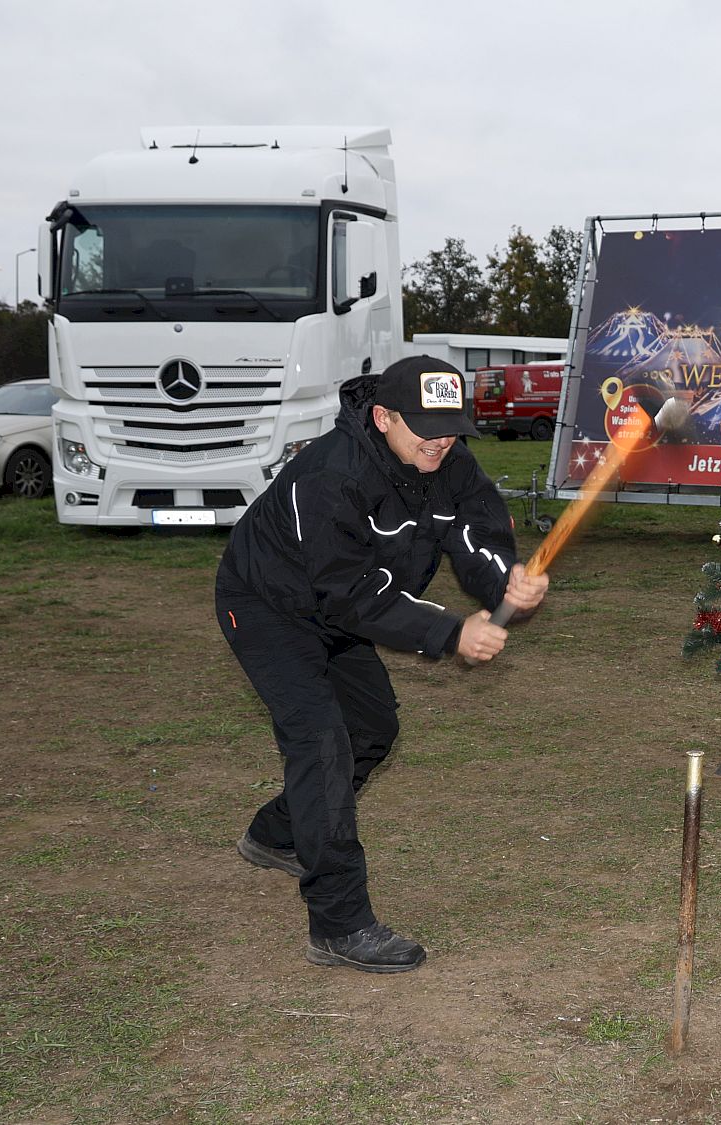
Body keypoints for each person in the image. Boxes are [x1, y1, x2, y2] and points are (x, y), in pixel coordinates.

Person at [214, 355, 547, 973]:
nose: (442, 439)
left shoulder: (450, 464)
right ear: (383, 416)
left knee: (372, 730)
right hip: (270, 608)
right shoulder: (329, 475)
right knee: (321, 744)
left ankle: (277, 834)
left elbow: (477, 541)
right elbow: (349, 592)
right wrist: (451, 632)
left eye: (452, 425)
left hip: (343, 610)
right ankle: (339, 924)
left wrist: (508, 588)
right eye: (425, 425)